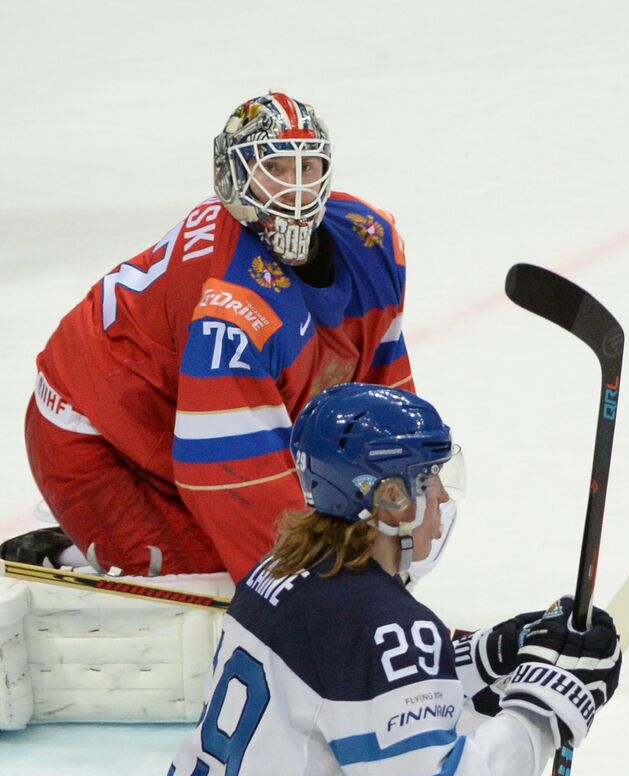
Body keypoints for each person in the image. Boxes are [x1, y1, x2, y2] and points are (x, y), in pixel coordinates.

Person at [139, 383, 621, 776]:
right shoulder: (378, 622)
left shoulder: (283, 570)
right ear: (391, 498)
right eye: (430, 480)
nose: (444, 500)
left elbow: (366, 700)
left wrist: (488, 660)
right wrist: (545, 704)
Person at [5, 92, 413, 582]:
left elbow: (382, 395)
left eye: (308, 169)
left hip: (174, 410)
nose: (297, 190)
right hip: (93, 433)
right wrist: (314, 585)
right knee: (214, 577)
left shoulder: (371, 239)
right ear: (232, 176)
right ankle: (73, 549)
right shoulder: (233, 306)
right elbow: (238, 490)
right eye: (276, 169)